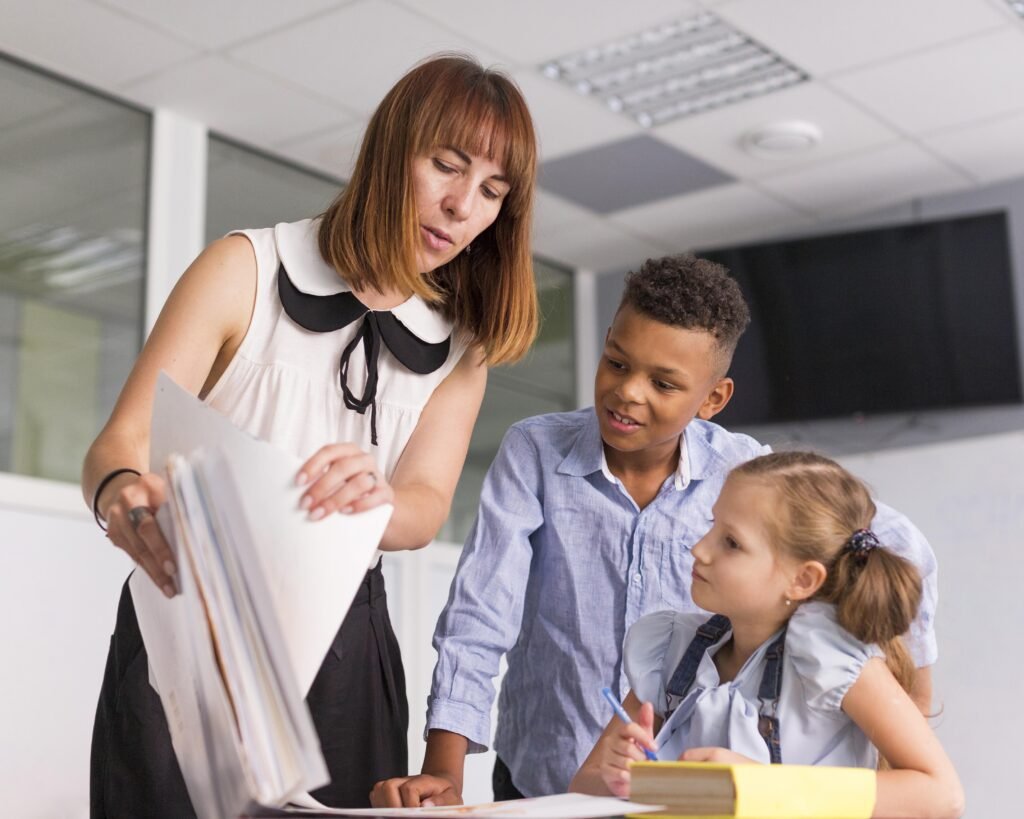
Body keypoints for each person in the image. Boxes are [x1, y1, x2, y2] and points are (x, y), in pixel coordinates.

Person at [83, 53, 539, 817]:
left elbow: (424, 503)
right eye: (447, 167)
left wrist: (376, 500)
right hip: (194, 612)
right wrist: (123, 494)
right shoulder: (245, 268)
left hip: (346, 642)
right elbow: (119, 438)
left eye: (492, 192)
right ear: (393, 152)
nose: (462, 206)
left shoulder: (460, 346)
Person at [371, 256, 939, 807]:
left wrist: (905, 714)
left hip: (671, 795)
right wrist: (442, 772)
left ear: (712, 399)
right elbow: (479, 618)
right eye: (617, 363)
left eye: (664, 384)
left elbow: (900, 547)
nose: (629, 392)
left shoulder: (747, 477)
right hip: (546, 775)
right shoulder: (536, 451)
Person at [570, 451, 964, 819]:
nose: (699, 550)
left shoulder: (833, 661)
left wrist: (759, 784)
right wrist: (617, 777)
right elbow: (582, 786)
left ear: (803, 579)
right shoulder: (671, 650)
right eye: (712, 526)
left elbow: (941, 794)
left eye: (732, 543)